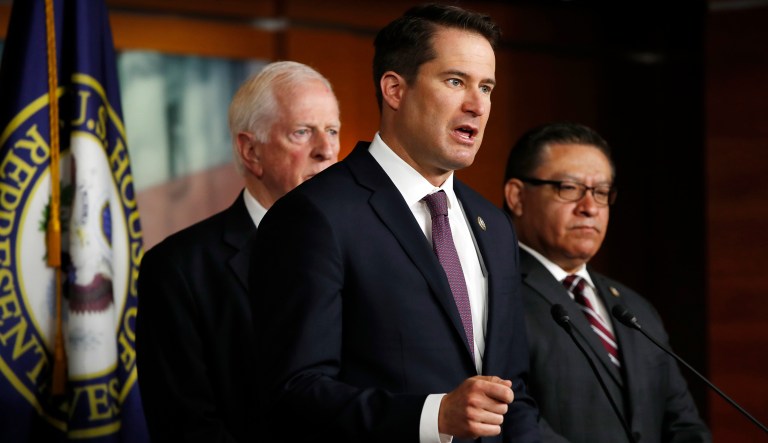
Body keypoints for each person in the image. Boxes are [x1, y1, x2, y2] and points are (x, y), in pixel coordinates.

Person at [249, 4, 540, 443]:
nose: (478, 105)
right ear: (394, 90)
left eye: (486, 87)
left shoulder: (494, 226)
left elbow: (512, 393)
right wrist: (432, 417)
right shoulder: (315, 215)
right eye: (455, 81)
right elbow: (295, 392)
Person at [135, 60, 341, 443]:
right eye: (302, 132)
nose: (327, 150)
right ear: (250, 151)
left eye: (332, 131)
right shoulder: (177, 269)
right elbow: (186, 426)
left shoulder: (362, 247)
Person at [502, 121, 710, 443]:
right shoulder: (494, 294)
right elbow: (509, 421)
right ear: (517, 197)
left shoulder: (634, 307)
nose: (589, 208)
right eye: (568, 188)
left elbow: (683, 425)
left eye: (601, 192)